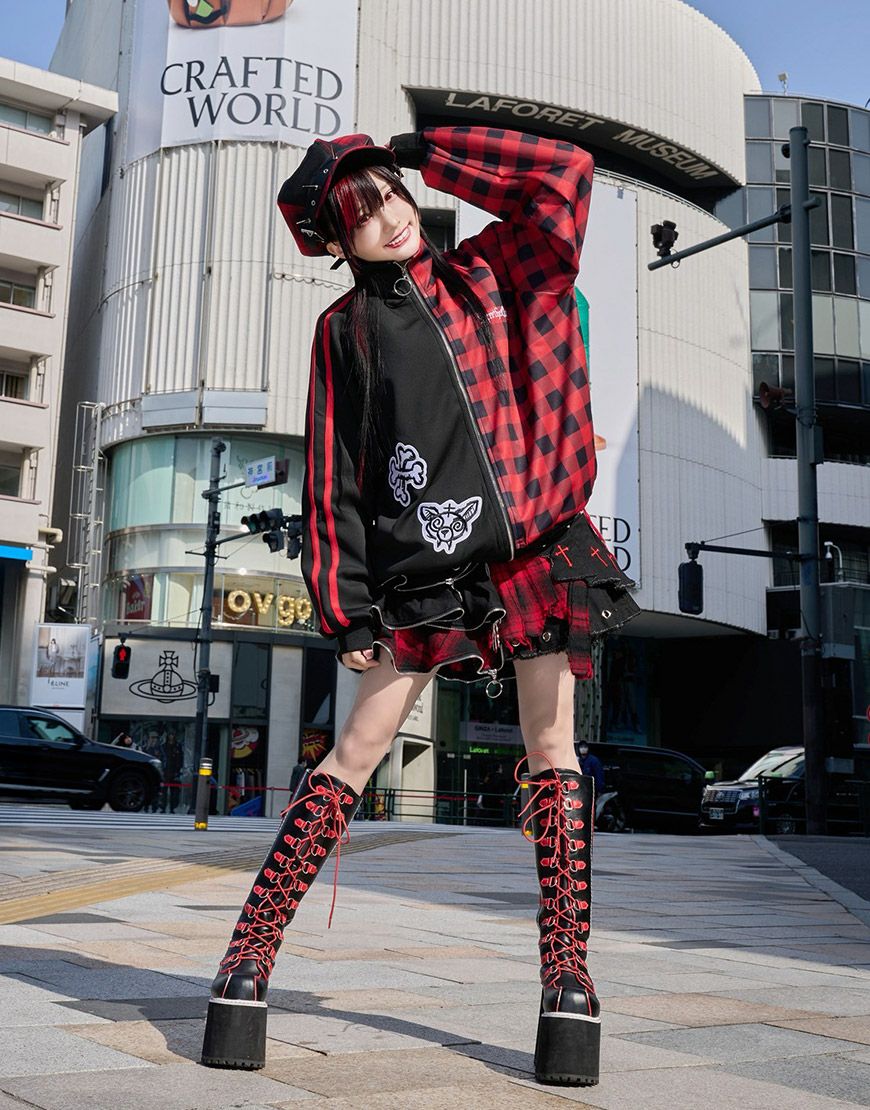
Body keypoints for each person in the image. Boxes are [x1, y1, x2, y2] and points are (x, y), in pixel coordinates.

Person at [201, 126, 638, 1085]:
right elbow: (335, 474)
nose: (392, 219)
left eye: (392, 196)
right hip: (426, 574)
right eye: (362, 215)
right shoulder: (345, 333)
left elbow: (563, 175)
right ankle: (248, 960)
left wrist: (422, 150)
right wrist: (347, 606)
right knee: (354, 753)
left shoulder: (493, 269)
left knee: (553, 749)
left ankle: (568, 981)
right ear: (335, 240)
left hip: (535, 549)